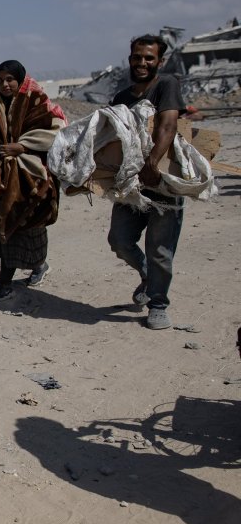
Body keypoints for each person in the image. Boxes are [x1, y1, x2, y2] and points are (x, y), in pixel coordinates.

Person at [0, 60, 66, 302]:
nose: (5, 84)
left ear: (20, 80)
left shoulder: (37, 101)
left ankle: (12, 279)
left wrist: (23, 147)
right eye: (1, 80)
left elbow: (56, 131)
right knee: (7, 223)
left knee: (29, 223)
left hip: (31, 177)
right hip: (1, 177)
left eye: (10, 79)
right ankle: (11, 279)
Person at [106, 34, 186, 330]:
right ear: (130, 59)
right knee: (119, 240)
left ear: (159, 62)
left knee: (159, 249)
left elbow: (168, 124)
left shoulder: (166, 85)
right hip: (131, 185)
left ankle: (158, 304)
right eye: (137, 57)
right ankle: (148, 278)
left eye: (149, 58)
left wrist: (152, 163)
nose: (142, 62)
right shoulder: (121, 97)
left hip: (163, 181)